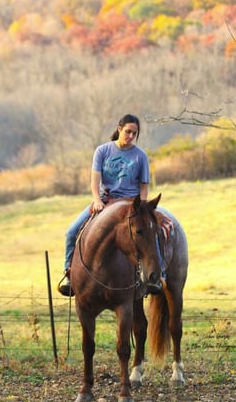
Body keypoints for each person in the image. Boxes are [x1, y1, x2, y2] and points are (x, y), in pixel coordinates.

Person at [58, 114, 163, 297]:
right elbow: (94, 181)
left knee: (151, 232)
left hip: (131, 203)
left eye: (134, 133)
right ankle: (69, 274)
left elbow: (144, 187)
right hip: (106, 200)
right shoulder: (103, 151)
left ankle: (157, 276)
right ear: (119, 129)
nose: (130, 136)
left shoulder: (140, 156)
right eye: (128, 132)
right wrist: (97, 200)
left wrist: (142, 208)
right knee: (71, 232)